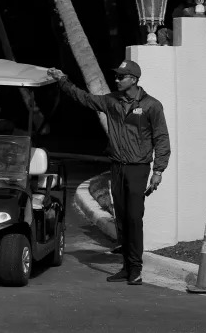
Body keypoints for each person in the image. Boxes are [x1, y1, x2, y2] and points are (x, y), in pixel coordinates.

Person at [47, 60, 170, 286]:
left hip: (138, 169)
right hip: (117, 167)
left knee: (134, 218)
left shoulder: (152, 105)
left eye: (121, 77)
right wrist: (63, 80)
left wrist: (158, 170)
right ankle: (125, 267)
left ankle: (136, 269)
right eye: (116, 76)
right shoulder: (111, 101)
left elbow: (161, 138)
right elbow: (83, 98)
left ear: (133, 79)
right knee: (122, 219)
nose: (116, 80)